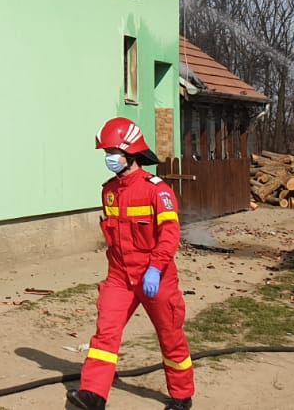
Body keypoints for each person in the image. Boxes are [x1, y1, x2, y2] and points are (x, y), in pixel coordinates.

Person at [67, 118, 195, 410]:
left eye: (112, 152)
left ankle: (181, 396)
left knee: (170, 336)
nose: (108, 158)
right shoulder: (109, 191)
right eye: (106, 153)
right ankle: (93, 394)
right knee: (106, 333)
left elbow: (170, 235)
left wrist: (155, 268)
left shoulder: (157, 190)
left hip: (156, 277)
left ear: (131, 152)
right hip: (119, 277)